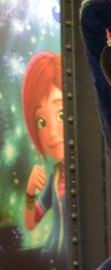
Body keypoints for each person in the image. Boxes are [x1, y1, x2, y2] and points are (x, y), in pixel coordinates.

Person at [23, 52, 64, 241]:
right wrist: (30, 192)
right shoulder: (56, 176)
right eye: (41, 122)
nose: (52, 134)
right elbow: (31, 223)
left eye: (61, 115)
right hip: (52, 260)